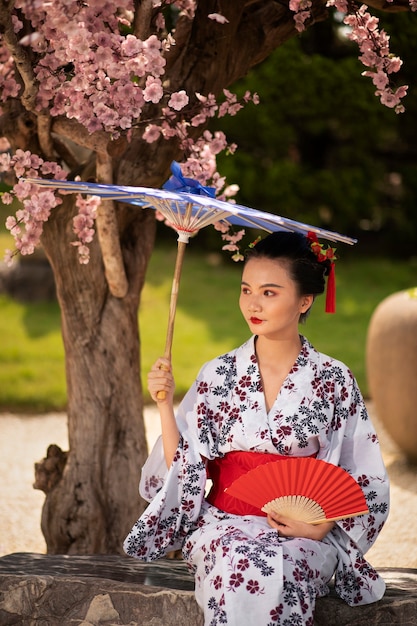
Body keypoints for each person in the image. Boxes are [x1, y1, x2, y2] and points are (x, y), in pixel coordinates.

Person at [124, 231, 389, 626]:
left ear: (304, 300)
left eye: (269, 292)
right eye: (247, 289)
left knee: (283, 569)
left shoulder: (333, 378)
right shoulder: (218, 374)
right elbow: (185, 467)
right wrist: (164, 405)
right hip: (223, 524)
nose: (252, 303)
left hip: (305, 531)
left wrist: (320, 525)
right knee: (239, 564)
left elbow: (363, 475)